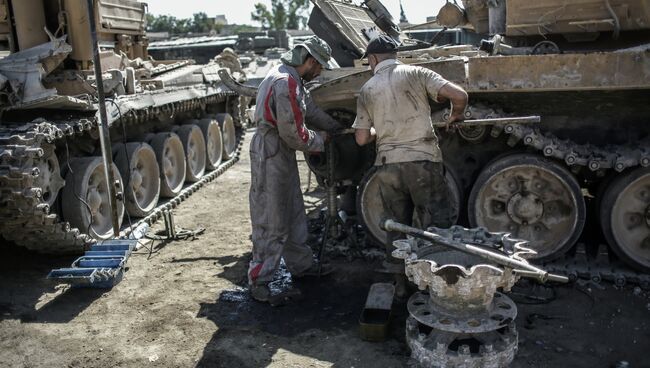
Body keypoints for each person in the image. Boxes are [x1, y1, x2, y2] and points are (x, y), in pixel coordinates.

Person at [353, 34, 468, 294]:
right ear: (395, 55)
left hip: (387, 166)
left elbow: (361, 138)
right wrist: (455, 115)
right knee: (437, 222)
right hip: (422, 162)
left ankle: (401, 285)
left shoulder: (367, 88)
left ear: (372, 59)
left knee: (396, 225)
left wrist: (379, 131)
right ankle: (439, 285)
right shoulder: (417, 72)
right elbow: (459, 95)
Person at [248, 36, 342, 305]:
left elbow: (309, 109)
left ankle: (302, 266)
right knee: (271, 217)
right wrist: (320, 140)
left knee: (293, 211)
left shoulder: (292, 79)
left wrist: (334, 126)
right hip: (271, 151)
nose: (320, 71)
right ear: (310, 61)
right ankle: (260, 281)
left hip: (279, 151)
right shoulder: (284, 82)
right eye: (320, 66)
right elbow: (293, 134)